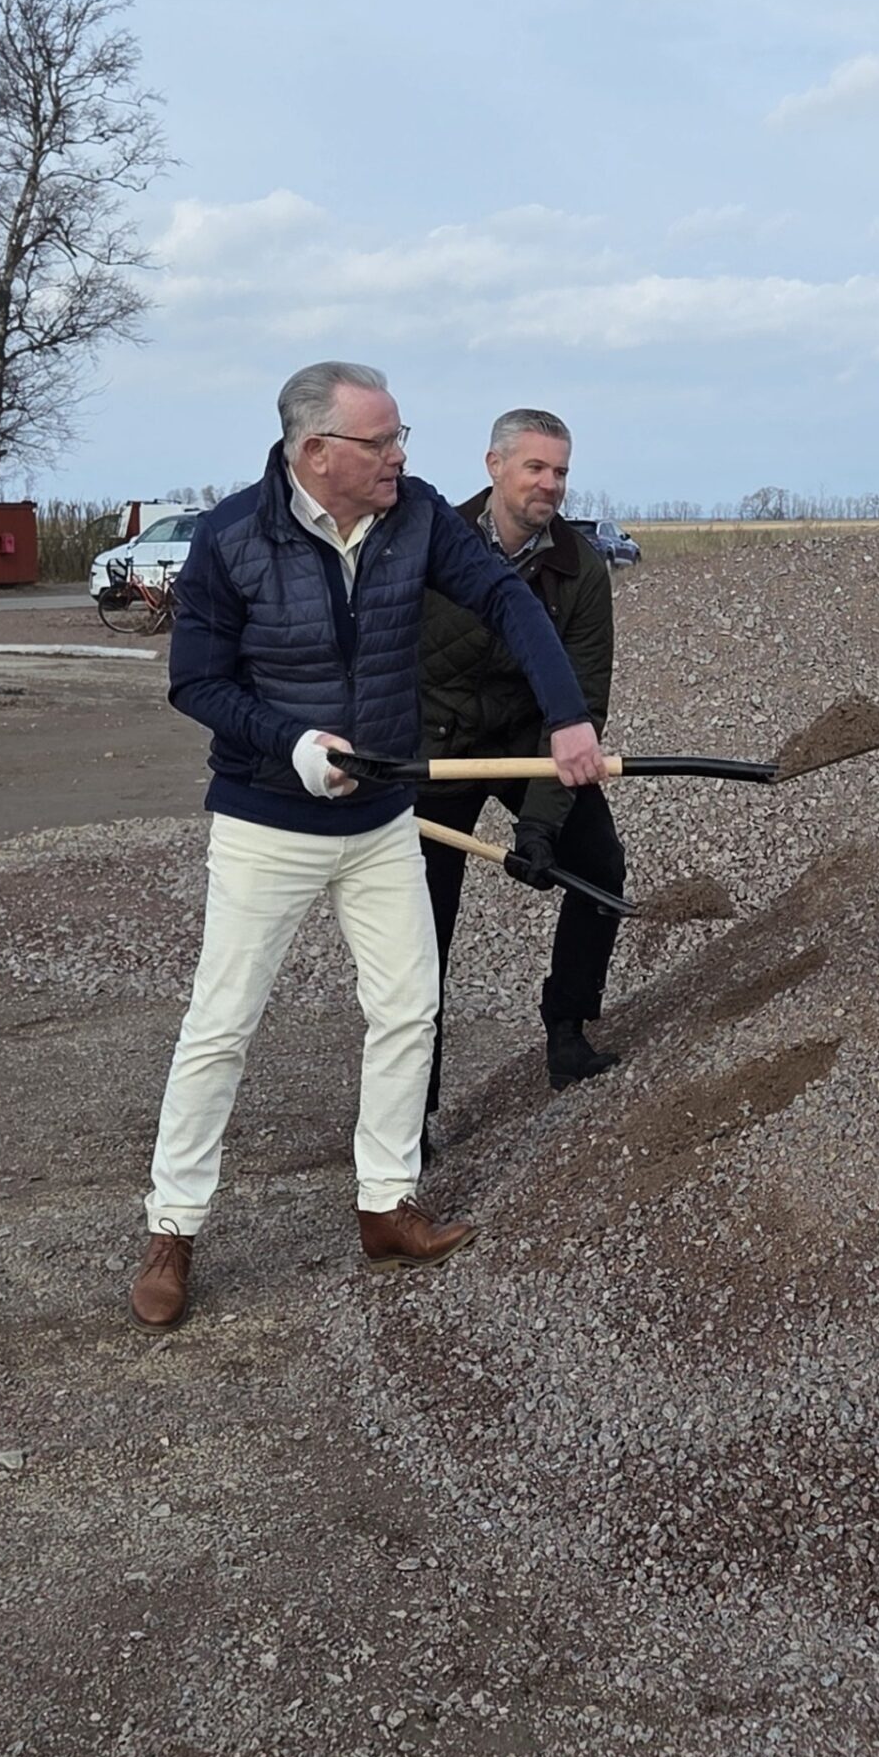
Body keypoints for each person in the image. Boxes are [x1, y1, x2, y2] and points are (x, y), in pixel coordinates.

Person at [129, 362, 605, 1333]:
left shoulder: (417, 517)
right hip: (267, 820)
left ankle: (386, 1204)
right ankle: (172, 1230)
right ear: (317, 452)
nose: (399, 456)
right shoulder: (230, 538)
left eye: (399, 438)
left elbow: (509, 602)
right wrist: (293, 745)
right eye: (381, 441)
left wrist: (567, 717)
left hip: (382, 817)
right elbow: (197, 683)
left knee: (407, 1008)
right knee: (222, 1024)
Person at [415, 409, 627, 1125]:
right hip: (431, 749)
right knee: (421, 924)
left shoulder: (579, 568)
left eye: (560, 471)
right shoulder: (428, 541)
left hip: (522, 741)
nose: (550, 484)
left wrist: (540, 824)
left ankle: (568, 1031)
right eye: (535, 467)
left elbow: (579, 706)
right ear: (494, 465)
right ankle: (412, 1110)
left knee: (598, 863)